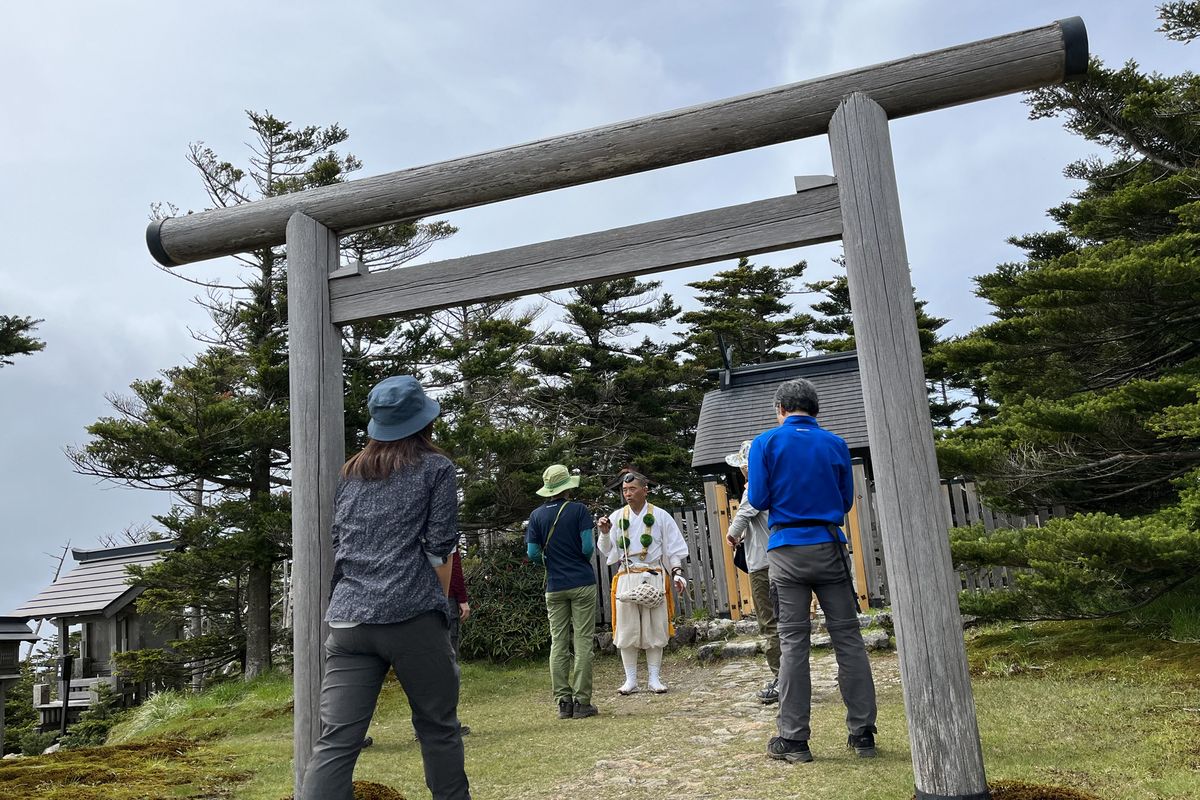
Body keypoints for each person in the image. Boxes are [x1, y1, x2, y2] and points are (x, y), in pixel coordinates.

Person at [301, 375, 470, 800]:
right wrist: (437, 604)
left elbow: (340, 541)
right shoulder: (436, 468)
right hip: (410, 615)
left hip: (347, 620)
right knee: (437, 728)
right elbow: (440, 546)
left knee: (337, 740)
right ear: (424, 422)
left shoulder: (351, 472)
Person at [747, 378, 877, 764]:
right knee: (848, 640)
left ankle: (794, 738)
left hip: (787, 550)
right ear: (814, 409)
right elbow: (844, 501)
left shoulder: (765, 443)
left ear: (781, 409)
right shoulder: (836, 444)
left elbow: (757, 498)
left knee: (793, 644)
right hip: (830, 545)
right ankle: (863, 733)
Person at [596, 471, 689, 694]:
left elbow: (673, 548)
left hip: (654, 574)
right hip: (627, 575)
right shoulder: (617, 516)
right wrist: (605, 533)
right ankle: (630, 680)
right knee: (627, 629)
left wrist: (676, 573)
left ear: (644, 490)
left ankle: (654, 678)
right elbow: (607, 550)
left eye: (632, 489)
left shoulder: (661, 516)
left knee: (655, 627)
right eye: (625, 490)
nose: (628, 494)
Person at [525, 464, 599, 719]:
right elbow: (588, 547)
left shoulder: (536, 516)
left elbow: (532, 553)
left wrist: (550, 563)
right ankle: (582, 702)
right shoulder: (579, 511)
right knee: (582, 641)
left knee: (558, 642)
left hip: (554, 585)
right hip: (581, 582)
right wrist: (578, 559)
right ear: (568, 486)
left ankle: (563, 703)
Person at [724, 440, 781, 705]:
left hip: (762, 562)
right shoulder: (780, 482)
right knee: (790, 622)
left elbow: (743, 516)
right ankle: (795, 677)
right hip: (785, 558)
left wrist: (732, 536)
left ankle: (781, 680)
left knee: (769, 623)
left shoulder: (755, 489)